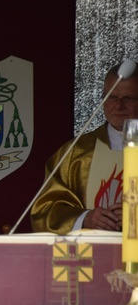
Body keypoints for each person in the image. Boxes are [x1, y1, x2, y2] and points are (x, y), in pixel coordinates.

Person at [31, 63, 138, 233]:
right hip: (91, 256)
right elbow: (45, 211)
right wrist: (85, 218)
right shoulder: (76, 152)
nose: (118, 106)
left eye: (128, 98)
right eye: (112, 97)